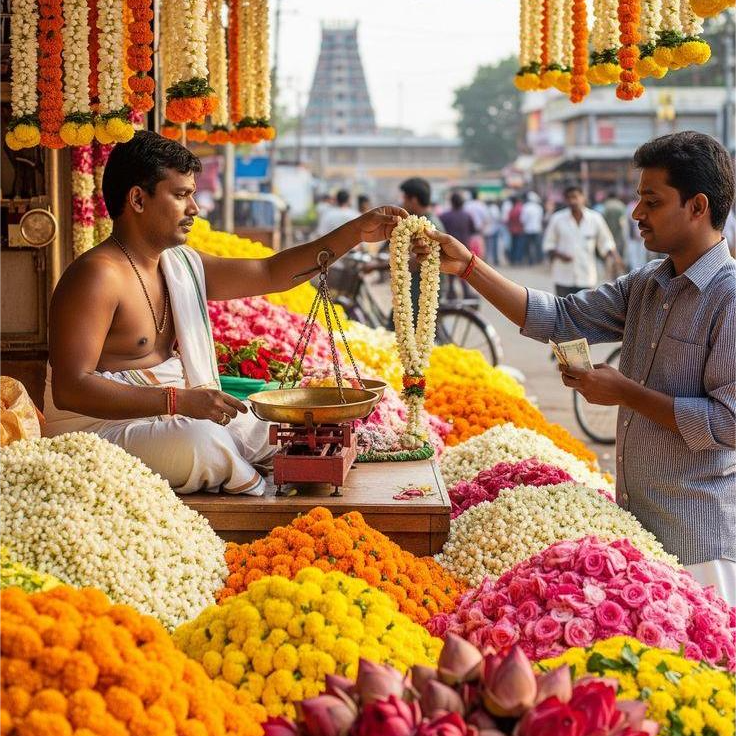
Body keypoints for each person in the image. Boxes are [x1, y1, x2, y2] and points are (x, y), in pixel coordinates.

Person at [415, 131, 736, 565]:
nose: (637, 213)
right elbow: (561, 317)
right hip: (637, 523)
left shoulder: (728, 298)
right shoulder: (646, 283)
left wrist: (625, 393)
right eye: (640, 199)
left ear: (697, 207)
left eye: (653, 201)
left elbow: (729, 423)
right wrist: (469, 267)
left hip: (699, 536)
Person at [44, 131, 405, 496]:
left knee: (269, 423)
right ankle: (247, 479)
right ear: (138, 199)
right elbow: (70, 388)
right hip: (100, 430)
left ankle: (238, 463)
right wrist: (177, 401)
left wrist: (355, 233)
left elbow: (270, 274)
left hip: (170, 417)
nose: (194, 209)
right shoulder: (97, 276)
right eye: (181, 195)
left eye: (193, 195)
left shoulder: (181, 264)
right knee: (202, 442)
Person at [542, 183, 619, 297]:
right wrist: (560, 255)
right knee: (564, 311)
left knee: (584, 312)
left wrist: (615, 257)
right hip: (563, 276)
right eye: (569, 198)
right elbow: (548, 244)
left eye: (575, 197)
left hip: (586, 276)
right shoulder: (557, 219)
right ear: (565, 200)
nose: (572, 201)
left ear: (583, 197)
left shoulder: (595, 218)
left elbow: (606, 241)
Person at [440, 192, 477, 300]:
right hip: (464, 248)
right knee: (465, 271)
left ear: (451, 203)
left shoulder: (445, 216)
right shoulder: (467, 216)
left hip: (449, 248)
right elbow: (473, 230)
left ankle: (451, 293)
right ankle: (466, 293)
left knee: (451, 271)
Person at [603, 190, 628, 260]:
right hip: (618, 234)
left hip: (607, 232)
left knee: (610, 253)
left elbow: (602, 220)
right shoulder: (621, 205)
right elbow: (623, 222)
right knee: (618, 252)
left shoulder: (606, 205)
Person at [521, 192, 545, 265]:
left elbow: (523, 219)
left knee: (528, 246)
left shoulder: (525, 207)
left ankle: (530, 260)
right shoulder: (539, 207)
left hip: (528, 230)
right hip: (537, 229)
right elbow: (541, 218)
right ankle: (539, 259)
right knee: (538, 245)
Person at [505, 196, 525, 265]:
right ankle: (518, 259)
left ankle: (512, 259)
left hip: (512, 230)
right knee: (518, 245)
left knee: (513, 245)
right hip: (519, 230)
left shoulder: (512, 209)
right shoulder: (520, 208)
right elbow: (523, 219)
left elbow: (508, 220)